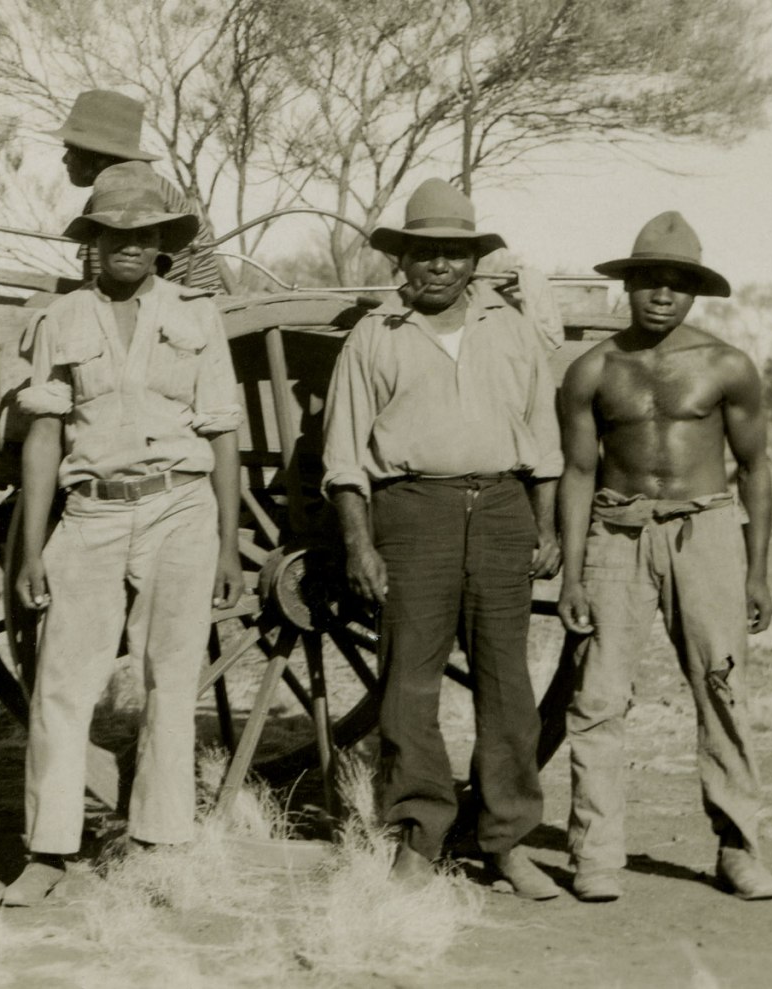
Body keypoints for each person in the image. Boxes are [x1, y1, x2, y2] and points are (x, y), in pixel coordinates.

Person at [0, 164, 244, 907]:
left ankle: (160, 843)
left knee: (170, 678)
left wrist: (231, 544)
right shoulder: (60, 319)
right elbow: (43, 435)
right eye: (114, 236)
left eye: (143, 236)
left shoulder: (197, 315)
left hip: (181, 510)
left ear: (161, 245)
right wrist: (33, 544)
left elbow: (224, 432)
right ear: (94, 244)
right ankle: (47, 851)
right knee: (62, 685)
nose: (128, 248)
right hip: (93, 513)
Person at [322, 178, 563, 899]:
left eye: (453, 254)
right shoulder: (375, 335)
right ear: (402, 261)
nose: (438, 268)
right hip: (411, 510)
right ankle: (418, 838)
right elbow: (344, 458)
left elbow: (543, 439)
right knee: (407, 686)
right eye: (424, 253)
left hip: (500, 509)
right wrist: (361, 545)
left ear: (473, 261)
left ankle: (506, 842)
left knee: (507, 686)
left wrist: (545, 525)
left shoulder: (513, 330)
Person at [557, 211, 772, 903]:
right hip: (616, 532)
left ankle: (738, 847)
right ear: (628, 284)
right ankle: (595, 852)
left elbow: (756, 467)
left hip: (705, 530)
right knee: (597, 695)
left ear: (694, 292)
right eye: (649, 279)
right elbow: (577, 471)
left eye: (677, 283)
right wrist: (571, 571)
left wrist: (757, 568)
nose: (661, 294)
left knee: (722, 686)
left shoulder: (725, 364)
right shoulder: (593, 369)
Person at [48, 89, 223, 291]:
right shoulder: (109, 194)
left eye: (71, 149)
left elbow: (125, 293)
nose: (65, 159)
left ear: (100, 156)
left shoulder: (145, 194)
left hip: (179, 309)